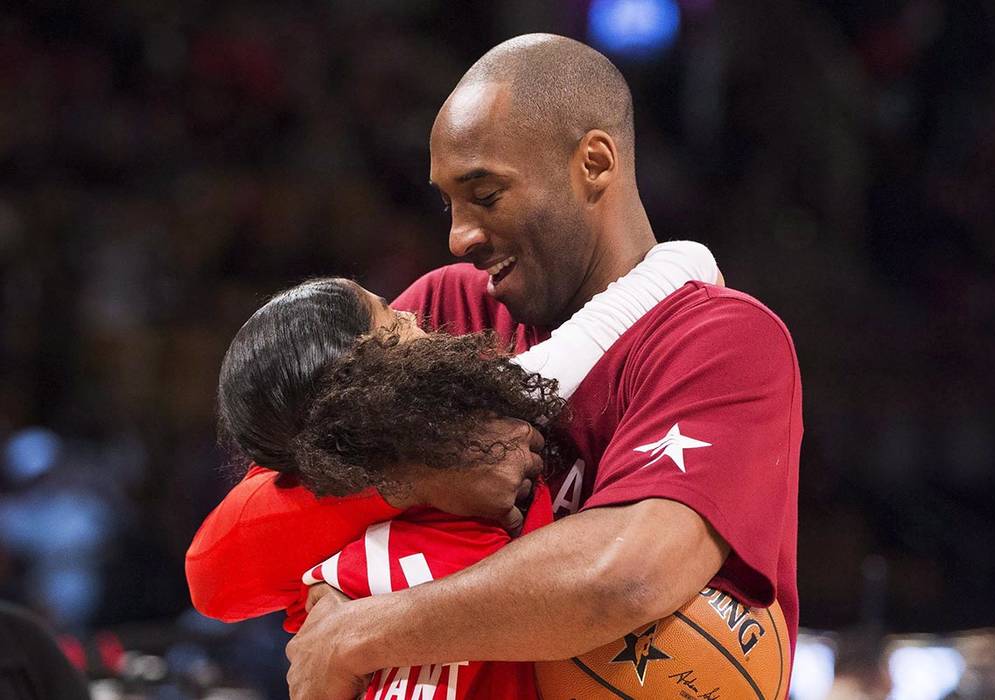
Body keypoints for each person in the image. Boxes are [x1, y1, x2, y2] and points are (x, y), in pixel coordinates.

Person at [194, 33, 801, 700]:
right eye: (449, 202)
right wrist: (419, 473)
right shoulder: (440, 313)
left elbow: (622, 576)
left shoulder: (721, 339)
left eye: (485, 194)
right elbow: (219, 568)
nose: (458, 234)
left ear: (593, 163)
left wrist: (358, 635)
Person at [196, 244, 719, 699]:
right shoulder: (493, 440)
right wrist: (425, 471)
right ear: (368, 383)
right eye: (392, 319)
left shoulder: (319, 561)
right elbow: (682, 266)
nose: (416, 319)